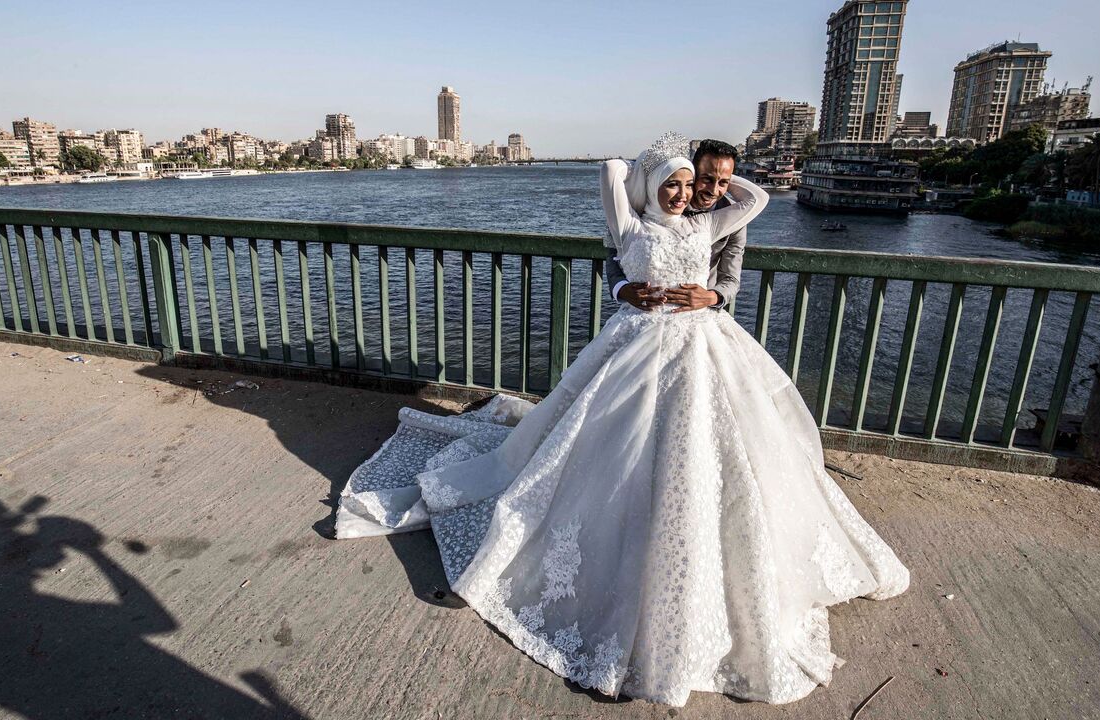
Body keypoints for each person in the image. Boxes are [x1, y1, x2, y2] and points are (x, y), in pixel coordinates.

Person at [337, 133, 909, 707]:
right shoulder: (637, 223)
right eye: (689, 182)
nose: (697, 192)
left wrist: (713, 263)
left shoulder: (714, 223)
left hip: (705, 341)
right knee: (605, 441)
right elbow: (616, 227)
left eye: (706, 183)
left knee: (722, 450)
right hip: (637, 341)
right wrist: (654, 196)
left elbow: (740, 244)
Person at [606, 139, 746, 314]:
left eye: (723, 182)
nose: (713, 190)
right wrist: (622, 289)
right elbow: (615, 254)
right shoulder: (656, 201)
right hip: (646, 314)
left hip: (700, 315)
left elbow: (731, 278)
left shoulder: (734, 216)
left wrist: (712, 297)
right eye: (706, 179)